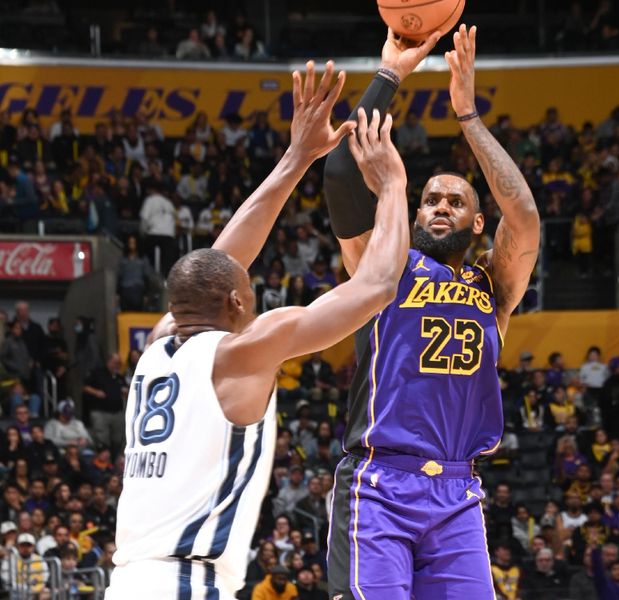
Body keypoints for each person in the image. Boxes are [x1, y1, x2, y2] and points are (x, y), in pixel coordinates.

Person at [105, 61, 408, 599]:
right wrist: (391, 186)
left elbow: (216, 264)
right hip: (185, 582)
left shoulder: (157, 346)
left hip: (130, 579)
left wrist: (297, 157)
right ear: (237, 301)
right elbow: (378, 286)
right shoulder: (242, 351)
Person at [323, 26, 540, 599]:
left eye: (456, 201)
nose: (440, 205)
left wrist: (468, 116)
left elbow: (522, 217)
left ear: (475, 222)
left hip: (457, 492)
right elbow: (342, 174)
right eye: (430, 199)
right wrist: (390, 74)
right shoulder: (384, 267)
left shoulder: (491, 282)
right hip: (380, 483)